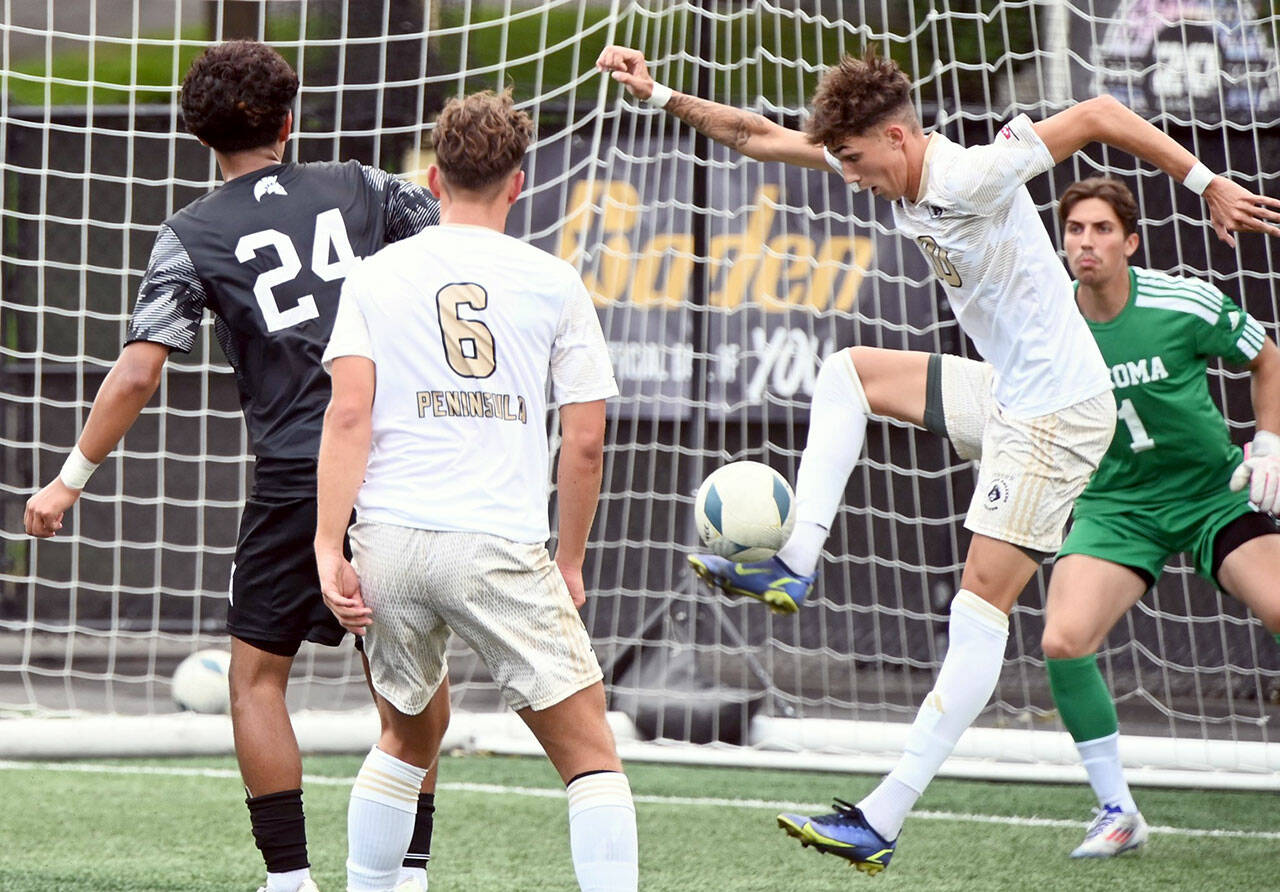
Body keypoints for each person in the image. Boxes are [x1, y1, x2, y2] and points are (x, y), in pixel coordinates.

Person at [595, 44, 1280, 874]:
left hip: (1059, 418)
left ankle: (883, 816)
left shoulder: (973, 174)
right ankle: (796, 564)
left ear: (896, 137)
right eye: (838, 159)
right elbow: (754, 133)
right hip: (1010, 394)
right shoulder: (880, 161)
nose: (847, 176)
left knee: (977, 612)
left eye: (853, 160)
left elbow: (1099, 113)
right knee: (847, 374)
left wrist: (1204, 182)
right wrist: (659, 90)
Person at [23, 40, 447, 892]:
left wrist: (69, 476)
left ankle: (289, 882)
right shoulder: (368, 190)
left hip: (296, 474)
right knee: (403, 673)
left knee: (256, 678)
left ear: (199, 137)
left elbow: (141, 368)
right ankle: (408, 872)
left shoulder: (191, 234)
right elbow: (452, 247)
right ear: (289, 121)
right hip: (395, 464)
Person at [313, 89, 637, 892]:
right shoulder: (553, 280)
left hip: (388, 541)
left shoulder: (377, 275)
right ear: (519, 184)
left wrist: (329, 546)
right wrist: (569, 559)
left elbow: (348, 414)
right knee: (589, 752)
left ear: (431, 178)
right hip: (495, 543)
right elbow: (586, 441)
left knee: (403, 740)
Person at [1042, 176, 1280, 858]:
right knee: (1063, 640)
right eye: (1075, 230)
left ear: (1131, 241)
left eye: (1101, 230)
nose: (1086, 243)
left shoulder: (1181, 300)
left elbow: (1267, 360)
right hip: (1118, 507)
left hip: (1212, 494)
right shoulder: (1049, 321)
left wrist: (1269, 448)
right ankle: (1117, 811)